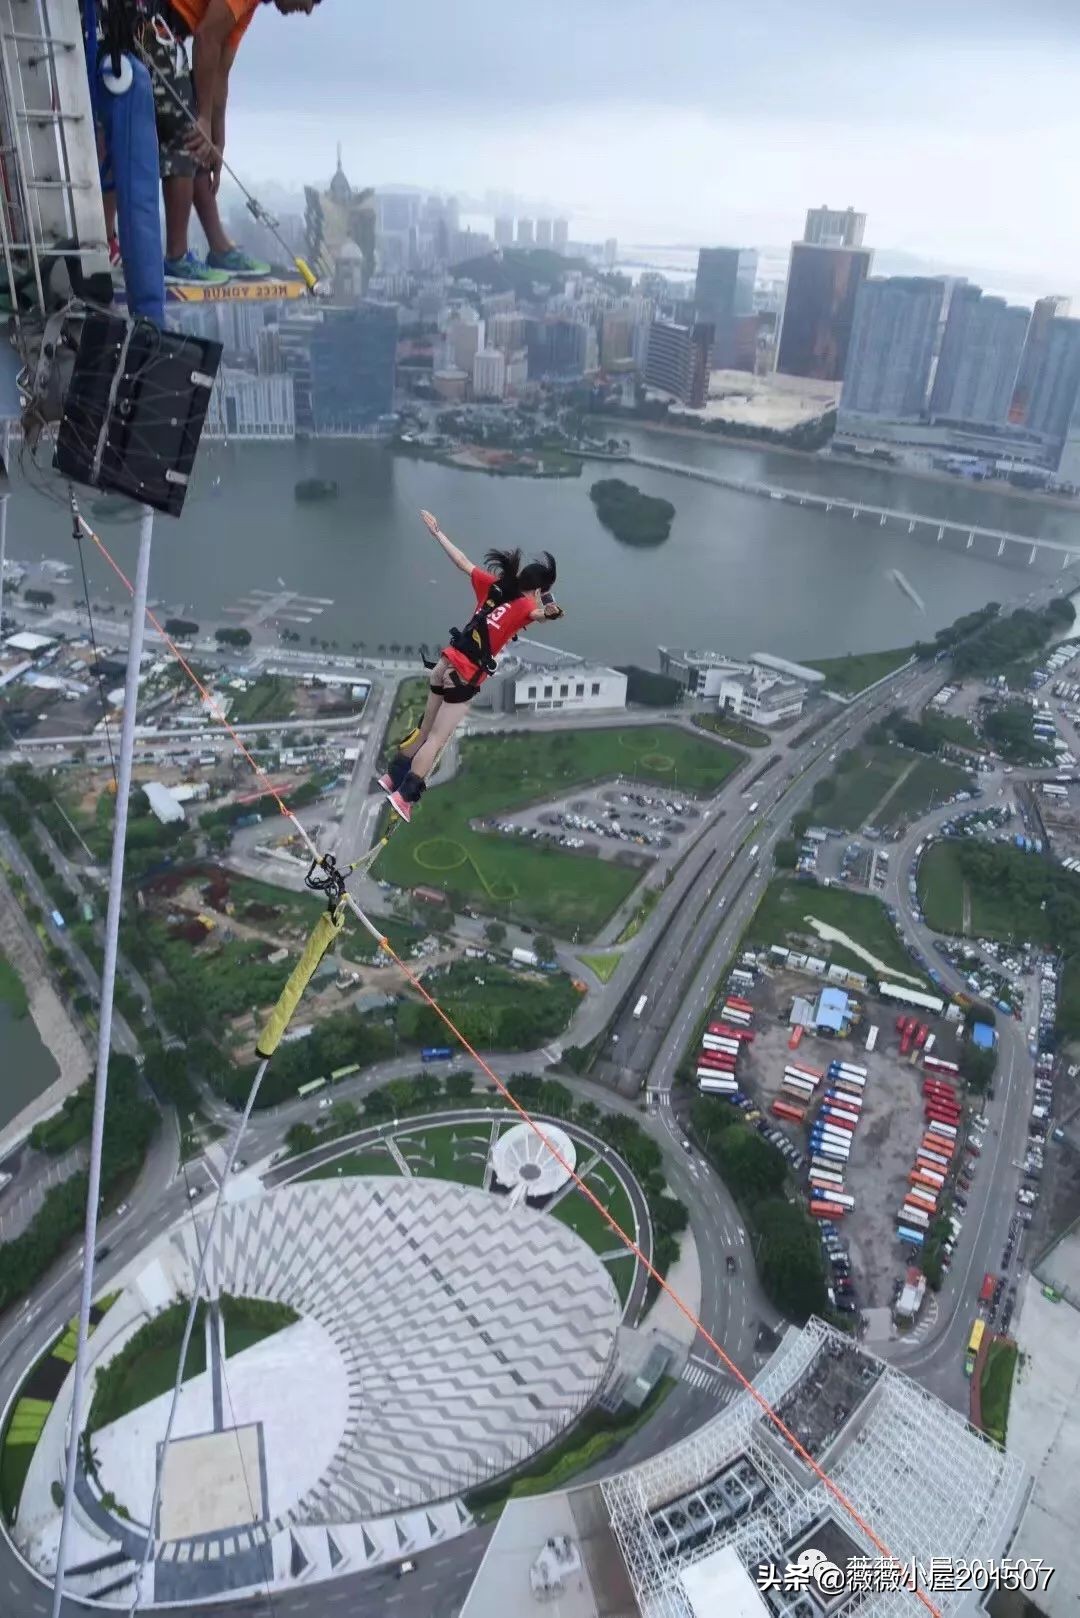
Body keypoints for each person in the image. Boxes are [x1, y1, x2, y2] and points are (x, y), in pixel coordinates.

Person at [379, 511, 564, 822]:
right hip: (464, 676)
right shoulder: (527, 607)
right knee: (437, 739)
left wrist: (438, 533)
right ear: (537, 590)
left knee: (425, 729)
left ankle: (391, 777)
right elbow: (543, 616)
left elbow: (462, 562)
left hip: (444, 663)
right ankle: (404, 796)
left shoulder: (496, 587)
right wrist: (552, 609)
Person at [136, 0, 321, 285]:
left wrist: (217, 141)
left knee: (200, 137)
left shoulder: (246, 9)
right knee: (187, 132)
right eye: (312, 1)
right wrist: (203, 120)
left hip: (162, 27)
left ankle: (219, 248)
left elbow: (220, 69)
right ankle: (176, 257)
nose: (308, 10)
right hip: (144, 18)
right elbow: (206, 36)